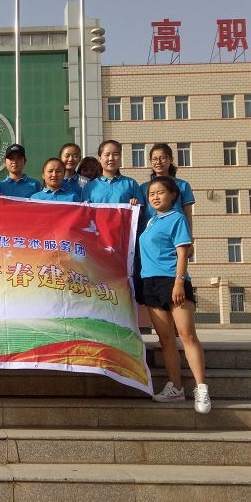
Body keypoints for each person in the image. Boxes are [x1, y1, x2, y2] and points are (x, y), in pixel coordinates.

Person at [140, 176, 210, 414]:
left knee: (187, 335)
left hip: (172, 280)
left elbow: (183, 253)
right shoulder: (151, 221)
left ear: (173, 196)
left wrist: (179, 281)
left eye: (160, 192)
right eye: (151, 194)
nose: (155, 197)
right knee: (166, 339)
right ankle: (176, 388)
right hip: (150, 282)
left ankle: (201, 388)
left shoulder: (177, 218)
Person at [140, 143, 195, 231]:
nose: (158, 162)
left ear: (170, 159)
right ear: (150, 161)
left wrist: (189, 234)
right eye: (154, 159)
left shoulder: (182, 185)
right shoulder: (143, 187)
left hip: (175, 230)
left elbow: (188, 214)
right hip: (151, 232)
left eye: (162, 158)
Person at [81, 140, 142, 205]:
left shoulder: (131, 184)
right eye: (107, 155)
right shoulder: (90, 186)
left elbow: (141, 208)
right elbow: (85, 210)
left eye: (115, 154)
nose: (111, 158)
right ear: (100, 159)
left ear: (120, 157)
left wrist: (135, 205)